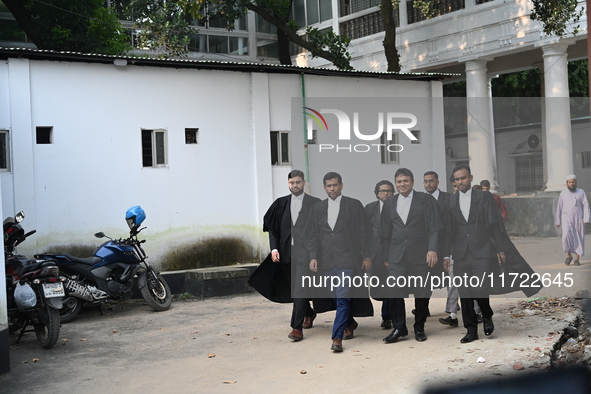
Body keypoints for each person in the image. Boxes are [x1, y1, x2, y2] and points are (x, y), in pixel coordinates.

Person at [304, 172, 374, 352]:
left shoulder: (353, 205)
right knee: (336, 298)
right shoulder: (318, 208)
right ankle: (350, 322)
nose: (332, 188)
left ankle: (337, 338)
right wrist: (313, 256)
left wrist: (366, 255)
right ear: (324, 188)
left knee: (342, 298)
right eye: (329, 186)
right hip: (327, 261)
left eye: (335, 185)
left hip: (348, 260)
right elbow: (311, 235)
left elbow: (363, 232)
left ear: (341, 185)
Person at [248, 170, 321, 342]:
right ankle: (309, 313)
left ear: (303, 183)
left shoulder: (315, 204)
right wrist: (274, 249)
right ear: (288, 184)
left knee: (300, 288)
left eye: (298, 182)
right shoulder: (280, 204)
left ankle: (296, 328)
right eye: (291, 183)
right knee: (294, 289)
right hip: (286, 254)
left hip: (306, 254)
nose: (295, 185)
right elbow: (273, 229)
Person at [442, 164, 506, 344]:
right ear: (454, 182)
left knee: (480, 288)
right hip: (461, 253)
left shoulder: (484, 197)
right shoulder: (450, 202)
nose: (460, 181)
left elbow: (494, 224)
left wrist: (500, 249)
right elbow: (447, 231)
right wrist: (446, 255)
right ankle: (471, 330)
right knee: (465, 291)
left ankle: (487, 315)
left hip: (483, 251)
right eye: (457, 179)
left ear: (470, 178)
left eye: (463, 178)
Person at [380, 168, 442, 343]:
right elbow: (385, 233)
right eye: (399, 182)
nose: (402, 184)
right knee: (394, 291)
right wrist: (386, 257)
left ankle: (419, 327)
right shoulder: (390, 203)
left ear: (412, 182)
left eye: (406, 181)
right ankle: (399, 327)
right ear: (395, 184)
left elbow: (434, 227)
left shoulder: (426, 200)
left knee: (422, 292)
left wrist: (432, 250)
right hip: (396, 255)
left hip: (420, 254)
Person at [365, 180, 395, 330]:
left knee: (393, 286)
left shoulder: (397, 207)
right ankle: (387, 314)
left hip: (393, 253)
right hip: (375, 253)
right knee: (380, 286)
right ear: (377, 193)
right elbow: (364, 232)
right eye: (382, 190)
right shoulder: (370, 208)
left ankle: (388, 317)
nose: (386, 193)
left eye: (389, 191)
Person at [555, 175, 590, 266]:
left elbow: (586, 206)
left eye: (573, 182)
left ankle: (577, 259)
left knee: (579, 238)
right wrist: (558, 221)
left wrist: (586, 218)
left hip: (579, 219)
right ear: (567, 183)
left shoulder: (581, 192)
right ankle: (569, 255)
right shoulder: (563, 193)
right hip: (566, 218)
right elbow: (559, 207)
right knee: (566, 237)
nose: (572, 184)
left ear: (576, 182)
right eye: (570, 182)